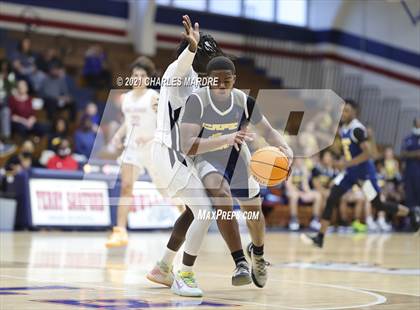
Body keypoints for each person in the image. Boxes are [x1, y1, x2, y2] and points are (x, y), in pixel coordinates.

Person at [176, 56, 292, 295]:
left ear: (234, 80)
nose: (221, 85)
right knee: (221, 194)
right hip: (207, 159)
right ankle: (240, 262)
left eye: (226, 81)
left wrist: (285, 148)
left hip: (239, 159)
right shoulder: (197, 102)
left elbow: (268, 131)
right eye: (216, 80)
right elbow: (187, 145)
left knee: (254, 214)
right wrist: (225, 139)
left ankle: (257, 254)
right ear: (208, 80)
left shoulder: (244, 101)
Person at [146, 15, 223, 297]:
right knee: (204, 210)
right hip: (168, 152)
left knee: (194, 210)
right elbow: (181, 67)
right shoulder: (177, 71)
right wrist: (191, 48)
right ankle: (185, 274)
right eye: (209, 54)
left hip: (180, 154)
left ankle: (162, 267)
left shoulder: (200, 85)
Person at [302, 100, 420, 248]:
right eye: (342, 110)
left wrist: (345, 163)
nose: (343, 113)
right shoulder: (344, 128)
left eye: (346, 110)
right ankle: (320, 237)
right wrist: (340, 161)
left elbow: (368, 154)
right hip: (350, 173)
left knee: (379, 204)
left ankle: (411, 212)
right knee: (332, 197)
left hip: (364, 176)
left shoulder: (357, 129)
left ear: (354, 112)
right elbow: (349, 151)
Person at [105, 57, 159, 248]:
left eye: (142, 75)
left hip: (152, 147)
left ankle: (186, 215)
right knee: (126, 187)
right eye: (135, 75)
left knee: (167, 190)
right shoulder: (126, 98)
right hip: (132, 148)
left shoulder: (154, 97)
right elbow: (128, 122)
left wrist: (150, 137)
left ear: (148, 78)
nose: (138, 78)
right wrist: (118, 135)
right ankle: (120, 231)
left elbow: (165, 126)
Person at [286, 158, 322, 231]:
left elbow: (305, 185)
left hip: (301, 192)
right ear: (294, 160)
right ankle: (294, 219)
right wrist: (299, 192)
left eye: (302, 159)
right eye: (298, 159)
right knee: (294, 196)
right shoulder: (289, 169)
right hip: (291, 192)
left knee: (317, 195)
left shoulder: (304, 170)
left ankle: (315, 220)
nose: (300, 161)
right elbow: (288, 185)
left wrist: (308, 192)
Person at [400, 117, 420, 230]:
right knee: (410, 198)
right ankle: (410, 221)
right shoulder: (408, 139)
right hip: (410, 173)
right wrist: (415, 154)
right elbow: (402, 154)